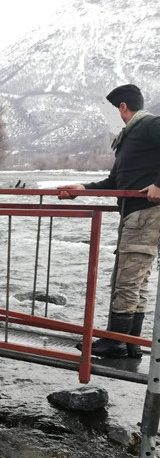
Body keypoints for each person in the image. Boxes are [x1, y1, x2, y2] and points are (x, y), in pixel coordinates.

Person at [58, 84, 160, 358]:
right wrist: (83, 188)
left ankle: (115, 343)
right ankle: (129, 343)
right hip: (133, 213)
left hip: (145, 214)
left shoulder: (149, 125)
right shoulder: (128, 137)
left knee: (127, 281)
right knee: (133, 280)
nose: (108, 120)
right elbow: (115, 181)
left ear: (123, 108)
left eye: (111, 114)